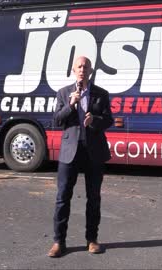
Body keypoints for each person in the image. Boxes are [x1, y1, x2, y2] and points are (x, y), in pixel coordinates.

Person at [49, 56, 114, 257]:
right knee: (62, 198)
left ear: (91, 71)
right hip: (70, 153)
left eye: (86, 66)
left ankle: (92, 240)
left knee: (93, 198)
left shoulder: (101, 94)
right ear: (73, 70)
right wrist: (71, 105)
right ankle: (59, 242)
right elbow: (57, 120)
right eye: (79, 66)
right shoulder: (63, 93)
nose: (82, 69)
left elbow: (109, 120)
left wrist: (95, 120)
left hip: (93, 152)